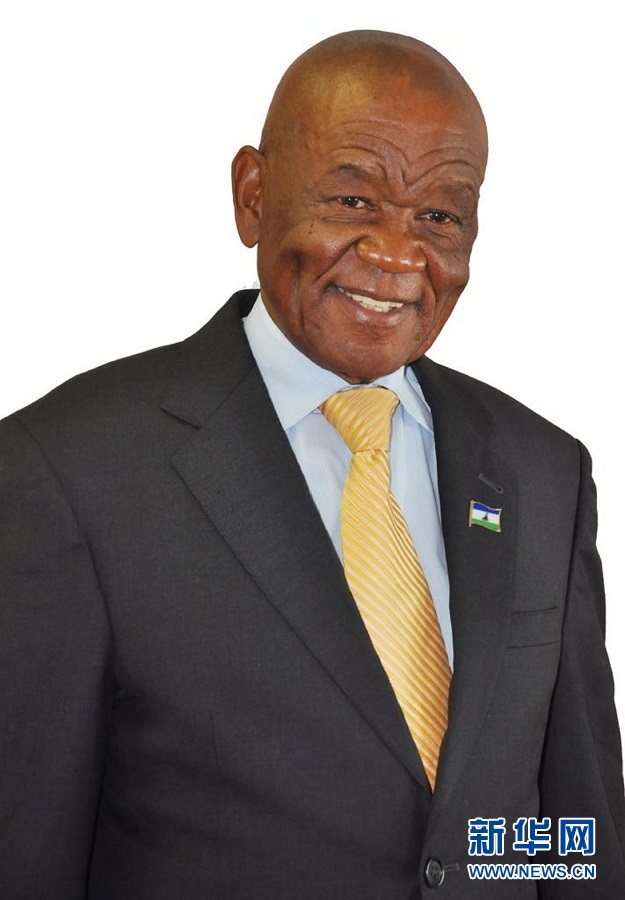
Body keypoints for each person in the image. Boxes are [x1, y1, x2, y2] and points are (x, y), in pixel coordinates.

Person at [0, 29, 623, 899]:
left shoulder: (542, 472)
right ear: (252, 197)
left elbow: (569, 838)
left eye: (439, 216)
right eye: (354, 200)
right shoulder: (66, 470)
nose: (397, 255)